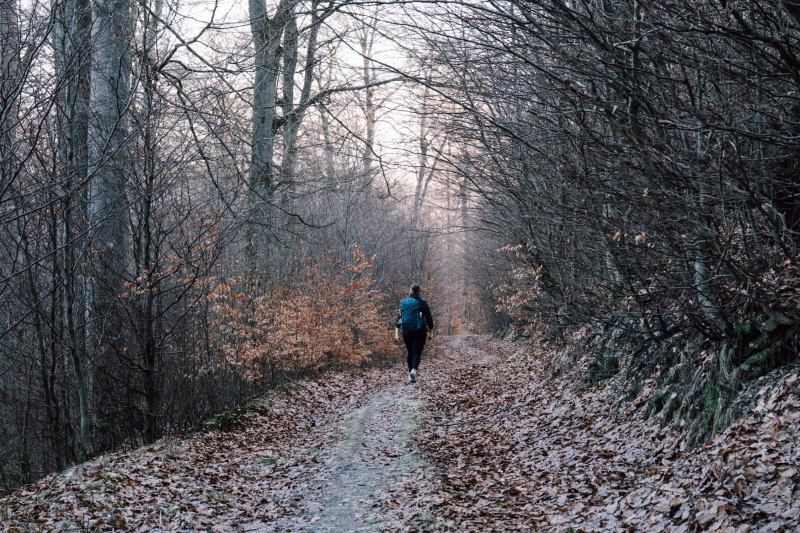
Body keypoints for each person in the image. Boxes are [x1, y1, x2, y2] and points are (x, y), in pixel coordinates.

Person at [395, 283, 434, 383]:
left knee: (410, 352)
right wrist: (430, 333)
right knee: (417, 352)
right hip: (420, 332)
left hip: (406, 331)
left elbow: (399, 318)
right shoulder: (423, 303)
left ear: (410, 291)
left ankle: (410, 375)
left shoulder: (403, 303)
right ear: (419, 291)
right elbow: (429, 319)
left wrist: (397, 334)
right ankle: (414, 370)